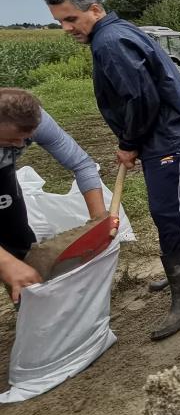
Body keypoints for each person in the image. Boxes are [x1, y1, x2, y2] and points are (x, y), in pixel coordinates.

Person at [43, 0, 180, 339]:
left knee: (170, 213)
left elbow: (139, 99)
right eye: (60, 22)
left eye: (71, 19)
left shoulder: (110, 41)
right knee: (175, 210)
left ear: (95, 9)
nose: (67, 29)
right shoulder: (115, 32)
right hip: (168, 134)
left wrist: (130, 142)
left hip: (169, 138)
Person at [0, 88, 108, 304]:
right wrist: (6, 263)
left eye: (26, 139)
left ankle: (35, 316)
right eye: (12, 140)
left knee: (23, 258)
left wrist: (99, 223)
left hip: (5, 191)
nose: (21, 145)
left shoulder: (33, 119)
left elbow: (82, 164)